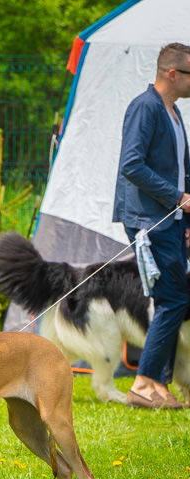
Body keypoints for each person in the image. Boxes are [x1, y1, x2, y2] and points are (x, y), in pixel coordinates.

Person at [113, 43, 190, 410]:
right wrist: (176, 197)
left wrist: (185, 216)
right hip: (148, 220)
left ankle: (157, 384)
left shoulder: (173, 112)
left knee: (170, 300)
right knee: (174, 298)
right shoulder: (145, 107)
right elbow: (131, 164)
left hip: (172, 220)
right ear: (172, 73)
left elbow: (179, 169)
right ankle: (144, 383)